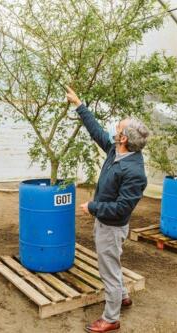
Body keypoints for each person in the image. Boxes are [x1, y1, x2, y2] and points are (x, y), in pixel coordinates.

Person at [66, 86, 149, 333]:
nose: (114, 130)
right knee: (113, 262)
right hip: (105, 223)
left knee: (108, 270)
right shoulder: (116, 151)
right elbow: (97, 132)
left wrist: (93, 206)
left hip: (112, 227)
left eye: (118, 128)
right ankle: (123, 296)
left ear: (123, 138)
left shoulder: (134, 171)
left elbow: (122, 208)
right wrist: (80, 105)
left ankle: (111, 318)